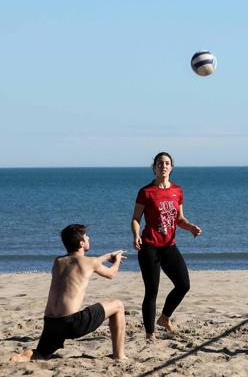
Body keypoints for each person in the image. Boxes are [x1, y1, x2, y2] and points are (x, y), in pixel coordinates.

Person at [9, 224, 128, 362]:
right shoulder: (90, 262)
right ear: (82, 243)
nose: (88, 237)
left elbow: (81, 262)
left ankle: (23, 357)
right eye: (86, 236)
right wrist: (117, 259)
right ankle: (119, 355)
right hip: (72, 324)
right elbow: (111, 274)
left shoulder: (58, 261)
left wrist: (106, 257)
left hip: (51, 323)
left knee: (41, 353)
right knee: (118, 305)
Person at [130, 152, 202, 342]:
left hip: (169, 246)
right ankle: (150, 334)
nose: (163, 166)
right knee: (152, 291)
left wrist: (190, 227)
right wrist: (136, 235)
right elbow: (136, 219)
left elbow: (179, 219)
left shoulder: (177, 190)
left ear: (171, 167)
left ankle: (164, 318)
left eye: (167, 163)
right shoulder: (145, 192)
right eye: (160, 163)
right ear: (154, 167)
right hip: (149, 247)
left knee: (184, 285)